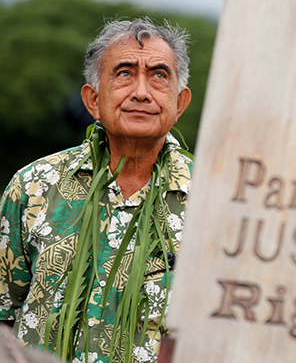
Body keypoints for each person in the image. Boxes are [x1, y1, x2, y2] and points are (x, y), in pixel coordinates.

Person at [0, 18, 193, 363]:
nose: (141, 92)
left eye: (159, 75)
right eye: (123, 73)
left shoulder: (213, 202)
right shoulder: (33, 186)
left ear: (180, 102)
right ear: (92, 99)